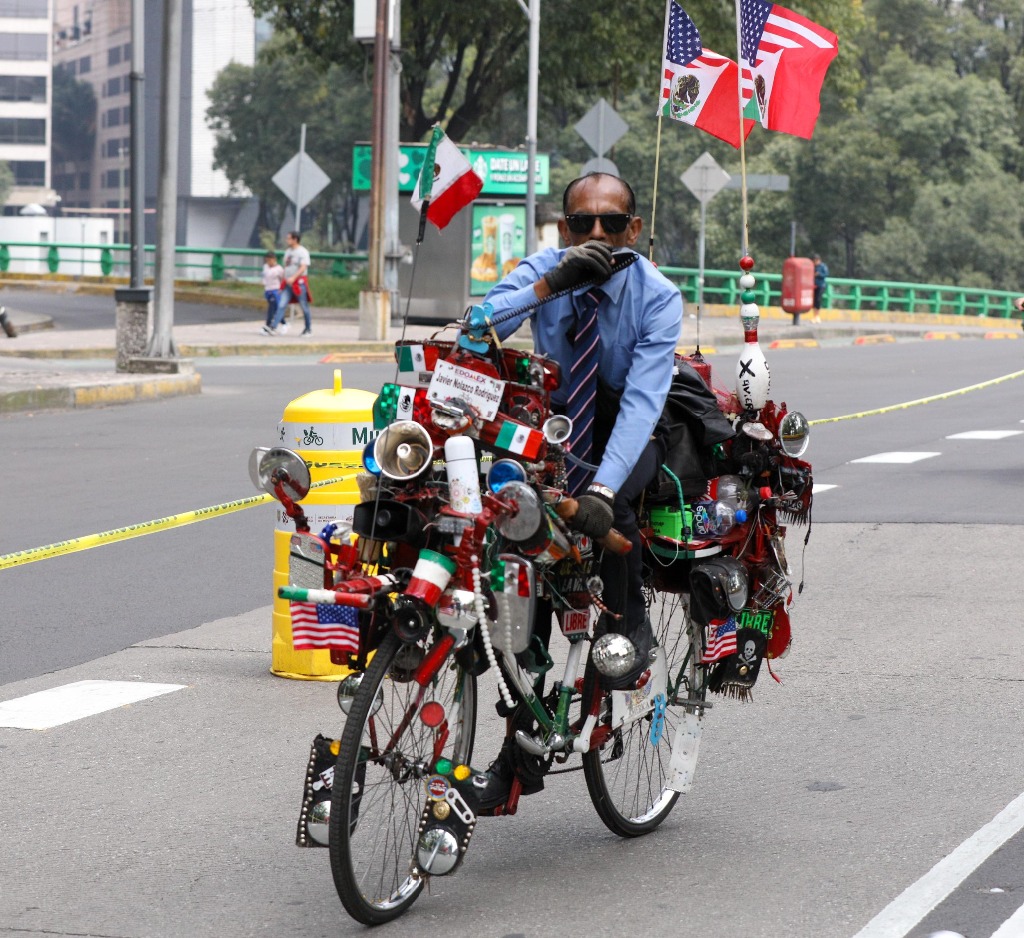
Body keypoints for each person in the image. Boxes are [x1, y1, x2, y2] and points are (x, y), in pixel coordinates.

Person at [476, 172, 683, 807]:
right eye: (583, 224)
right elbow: (472, 329)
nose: (598, 235)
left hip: (628, 429)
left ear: (635, 230)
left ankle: (629, 626)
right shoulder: (546, 269)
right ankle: (522, 749)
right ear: (564, 229)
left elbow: (644, 403)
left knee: (610, 509)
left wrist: (599, 488)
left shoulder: (657, 296)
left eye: (612, 224)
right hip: (555, 431)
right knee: (511, 553)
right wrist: (549, 284)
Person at [265, 231, 313, 336]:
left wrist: (294, 277)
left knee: (304, 305)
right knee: (281, 304)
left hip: (298, 282)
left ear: (295, 239)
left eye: (289, 238)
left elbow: (303, 267)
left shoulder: (302, 252)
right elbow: (286, 267)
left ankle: (308, 328)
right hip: (287, 283)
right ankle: (273, 326)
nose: (287, 240)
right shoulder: (288, 252)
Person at [259, 251, 283, 334]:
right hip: (267, 290)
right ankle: (281, 323)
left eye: (270, 260)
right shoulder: (265, 267)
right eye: (267, 260)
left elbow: (282, 279)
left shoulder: (279, 269)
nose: (269, 262)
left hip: (275, 290)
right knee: (273, 308)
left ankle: (269, 325)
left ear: (274, 259)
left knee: (273, 307)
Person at [812, 253, 828, 324]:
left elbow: (826, 274)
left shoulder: (823, 266)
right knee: (814, 300)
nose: (815, 262)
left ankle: (817, 316)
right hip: (814, 285)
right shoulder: (813, 266)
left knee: (818, 299)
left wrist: (819, 274)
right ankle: (814, 316)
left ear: (819, 260)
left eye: (816, 261)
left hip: (821, 285)